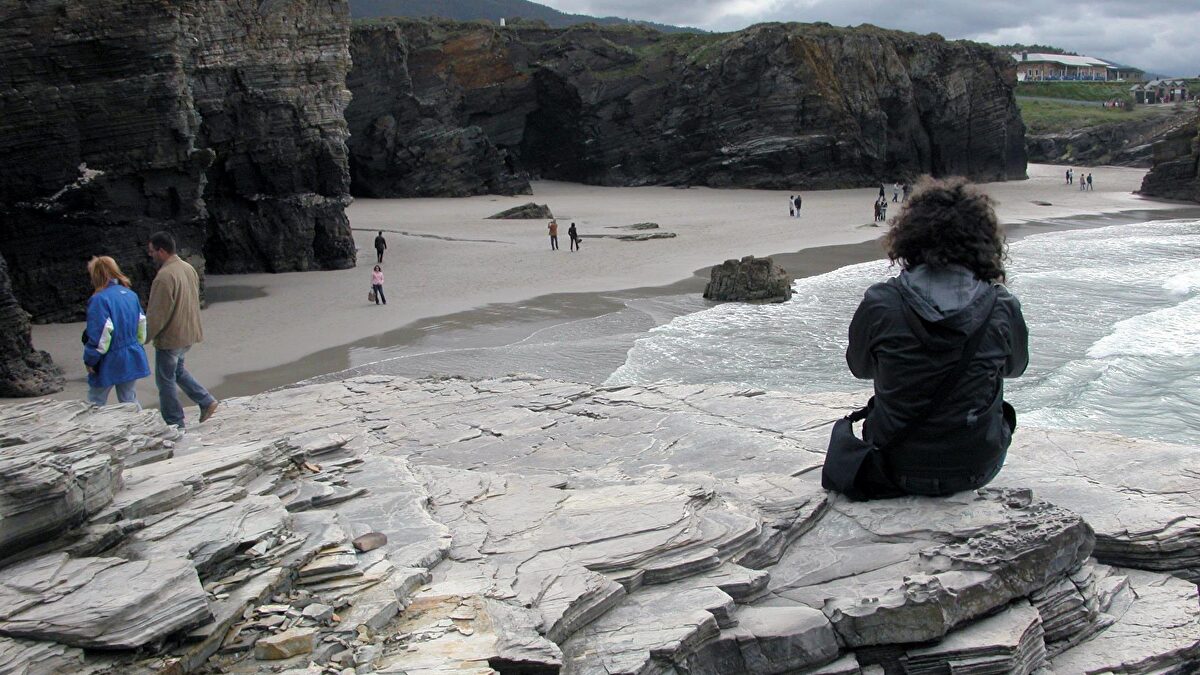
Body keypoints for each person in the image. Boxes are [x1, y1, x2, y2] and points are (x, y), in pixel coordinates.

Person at [825, 178, 1028, 499]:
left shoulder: (880, 301)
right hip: (975, 468)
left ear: (909, 236)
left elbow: (860, 369)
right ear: (984, 242)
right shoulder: (1001, 305)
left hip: (894, 463)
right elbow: (1015, 369)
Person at [145, 231, 218, 428]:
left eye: (151, 251)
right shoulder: (187, 268)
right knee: (177, 371)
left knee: (165, 380)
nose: (150, 255)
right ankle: (206, 401)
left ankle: (174, 422)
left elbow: (158, 313)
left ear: (161, 251)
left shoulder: (164, 277)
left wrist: (145, 336)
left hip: (172, 337)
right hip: (189, 332)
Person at [82, 256, 151, 407]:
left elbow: (101, 335)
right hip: (132, 353)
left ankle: (96, 429)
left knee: (96, 400)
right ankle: (140, 427)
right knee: (129, 398)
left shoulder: (99, 300)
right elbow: (141, 324)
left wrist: (90, 359)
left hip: (110, 358)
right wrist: (137, 346)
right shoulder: (130, 294)